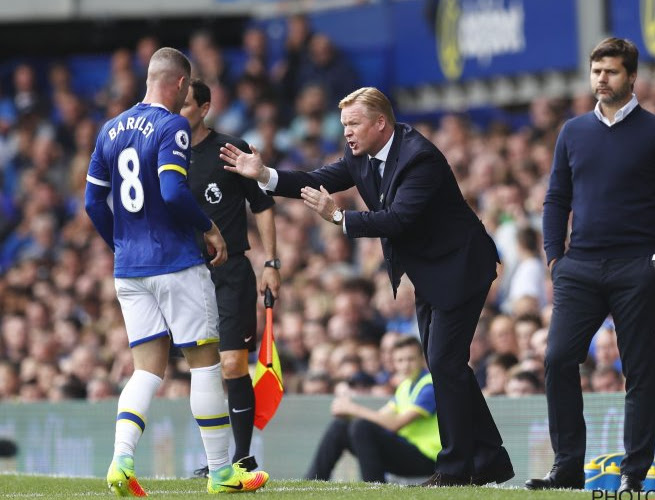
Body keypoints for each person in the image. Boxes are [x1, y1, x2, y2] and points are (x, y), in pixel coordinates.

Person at [221, 86, 514, 486]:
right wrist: (265, 175)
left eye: (354, 123)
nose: (347, 133)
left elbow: (397, 220)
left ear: (380, 123)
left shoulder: (420, 157)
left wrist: (339, 219)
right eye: (343, 125)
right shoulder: (359, 155)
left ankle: (455, 468)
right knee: (448, 366)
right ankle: (489, 458)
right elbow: (315, 179)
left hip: (462, 267)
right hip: (430, 272)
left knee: (445, 364)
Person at [84, 47, 268, 496]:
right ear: (182, 84)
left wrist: (121, 244)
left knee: (146, 370)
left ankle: (120, 463)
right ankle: (223, 473)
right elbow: (171, 190)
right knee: (205, 364)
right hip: (176, 263)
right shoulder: (172, 127)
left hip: (129, 270)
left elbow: (92, 203)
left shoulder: (109, 130)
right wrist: (210, 229)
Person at [529, 38, 655, 493]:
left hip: (634, 267)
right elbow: (556, 197)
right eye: (597, 71)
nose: (602, 79)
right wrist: (555, 257)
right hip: (578, 267)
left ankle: (633, 476)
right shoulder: (573, 131)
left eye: (611, 72)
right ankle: (567, 469)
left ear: (631, 76)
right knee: (558, 358)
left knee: (639, 372)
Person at [180, 78, 280, 477]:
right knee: (204, 370)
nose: (176, 111)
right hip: (186, 277)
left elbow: (263, 203)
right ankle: (218, 462)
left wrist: (271, 262)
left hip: (230, 272)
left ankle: (243, 456)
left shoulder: (228, 150)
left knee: (232, 365)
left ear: (204, 108)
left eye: (185, 105)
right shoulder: (163, 156)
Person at [305, 336, 439, 482]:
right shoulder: (405, 386)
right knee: (341, 426)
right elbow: (379, 418)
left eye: (410, 359)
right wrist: (349, 414)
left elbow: (395, 424)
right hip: (407, 451)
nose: (405, 365)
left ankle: (374, 487)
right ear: (394, 363)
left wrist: (353, 408)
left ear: (422, 359)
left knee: (362, 426)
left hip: (425, 458)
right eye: (400, 360)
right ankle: (312, 480)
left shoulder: (429, 385)